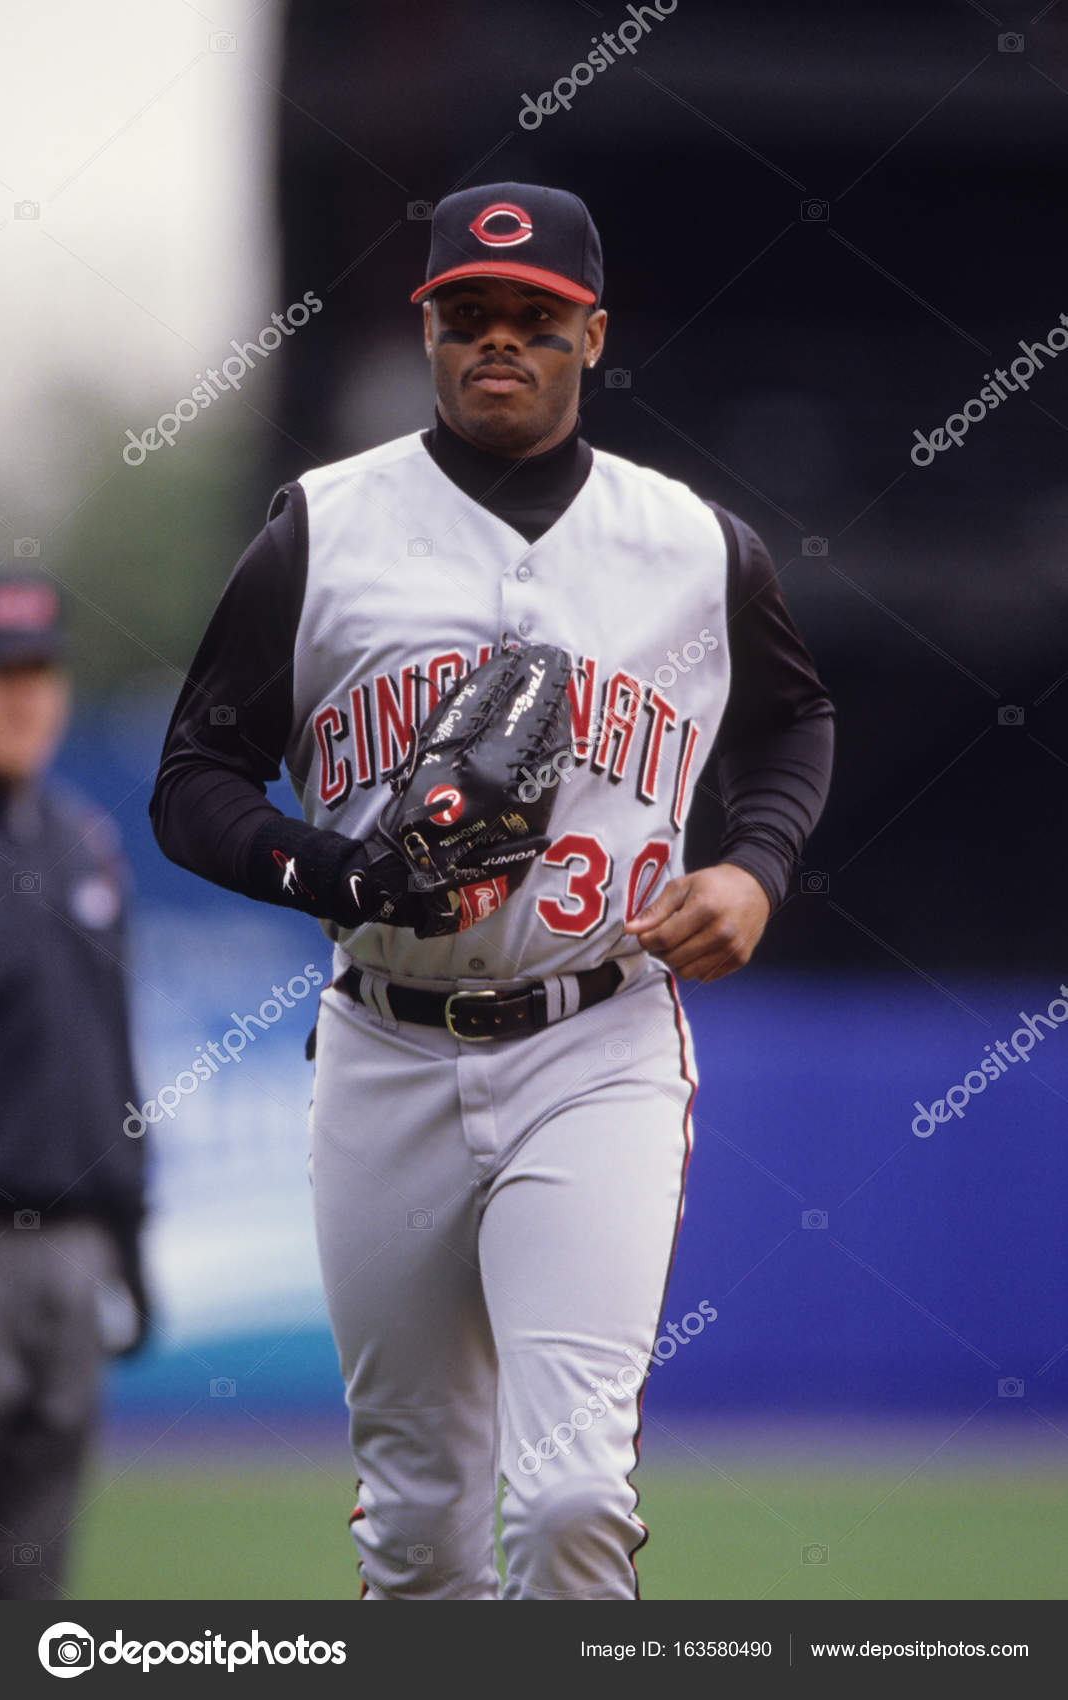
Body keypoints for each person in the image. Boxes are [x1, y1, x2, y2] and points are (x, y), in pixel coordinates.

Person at [150, 182, 834, 1601]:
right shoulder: (321, 529)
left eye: (533, 316)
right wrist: (333, 867)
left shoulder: (693, 546)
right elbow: (194, 784)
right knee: (417, 1526)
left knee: (574, 1497)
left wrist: (754, 869)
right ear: (429, 332)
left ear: (592, 331)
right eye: (468, 315)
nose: (498, 339)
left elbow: (791, 724)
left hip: (597, 1039)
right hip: (386, 1047)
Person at [0, 570, 150, 1600]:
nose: (25, 696)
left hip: (75, 1245)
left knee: (36, 1571)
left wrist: (131, 1241)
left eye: (42, 672)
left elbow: (111, 1056)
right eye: (5, 675)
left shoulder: (83, 840)